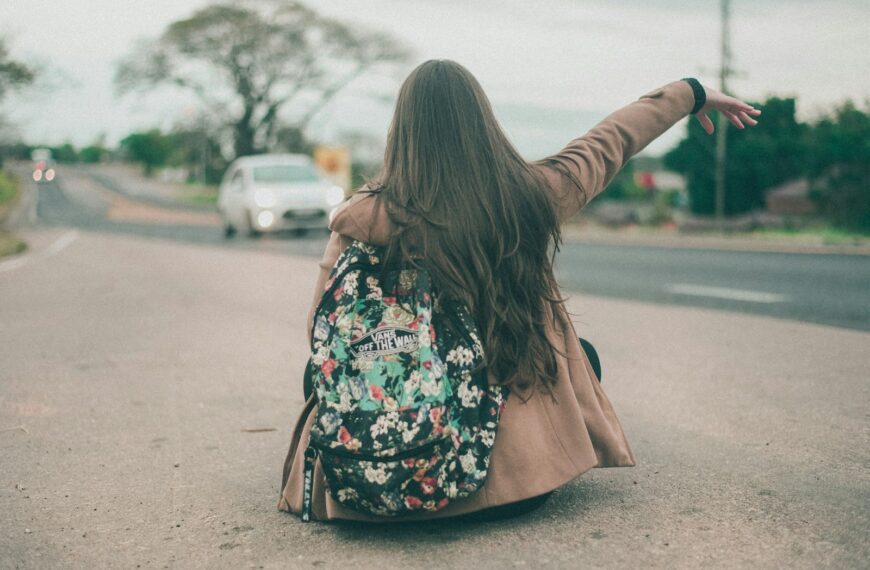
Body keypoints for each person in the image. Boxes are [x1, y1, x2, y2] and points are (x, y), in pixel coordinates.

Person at [278, 59, 761, 523]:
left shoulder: (360, 220)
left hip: (369, 492)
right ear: (482, 126)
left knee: (316, 373)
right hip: (516, 490)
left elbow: (319, 332)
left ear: (401, 135)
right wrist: (689, 92)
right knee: (583, 359)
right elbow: (610, 142)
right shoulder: (529, 196)